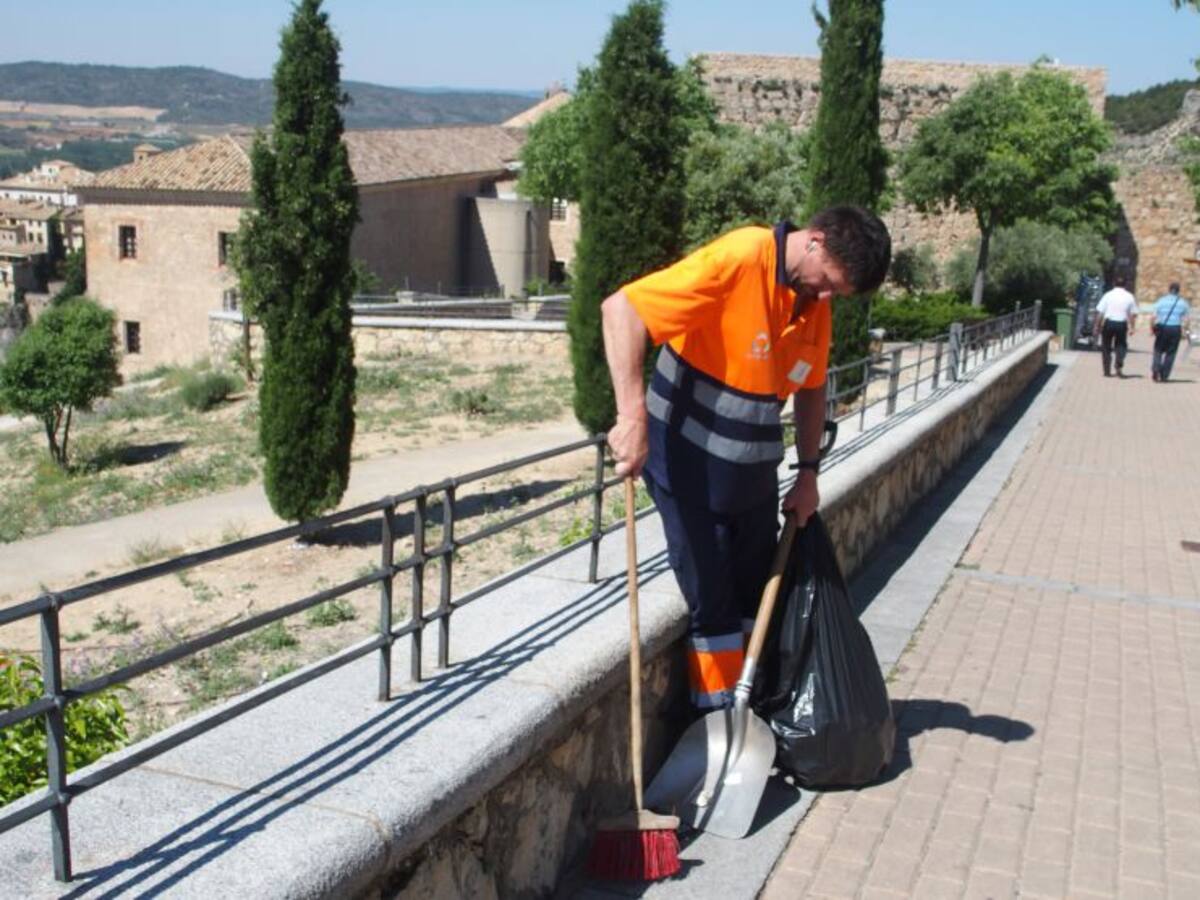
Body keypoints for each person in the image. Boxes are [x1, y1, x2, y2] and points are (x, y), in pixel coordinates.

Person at [602, 206, 891, 710]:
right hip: (687, 463)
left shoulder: (811, 301)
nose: (827, 298)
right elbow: (621, 311)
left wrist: (808, 474)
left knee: (755, 597)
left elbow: (812, 388)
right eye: (830, 284)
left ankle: (745, 710)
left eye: (837, 293)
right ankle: (714, 722)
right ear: (816, 241)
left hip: (751, 473)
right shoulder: (741, 258)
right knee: (711, 599)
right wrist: (631, 419)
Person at [1093, 276, 1138, 377]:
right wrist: (1132, 327)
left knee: (1106, 347)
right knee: (1121, 345)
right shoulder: (1129, 296)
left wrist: (1097, 326)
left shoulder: (1108, 295)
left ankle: (1107, 371)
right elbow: (1132, 314)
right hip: (1121, 324)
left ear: (1114, 283)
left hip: (1109, 323)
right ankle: (1119, 362)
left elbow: (1100, 312)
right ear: (1125, 284)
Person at [1150, 282, 1190, 382]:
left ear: (1169, 289)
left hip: (1162, 328)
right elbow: (1186, 319)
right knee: (1171, 353)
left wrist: (1152, 329)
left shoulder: (1162, 301)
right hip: (1175, 329)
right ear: (1178, 291)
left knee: (1158, 350)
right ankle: (1164, 375)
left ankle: (1156, 369)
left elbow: (1153, 317)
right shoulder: (1183, 303)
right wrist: (1185, 330)